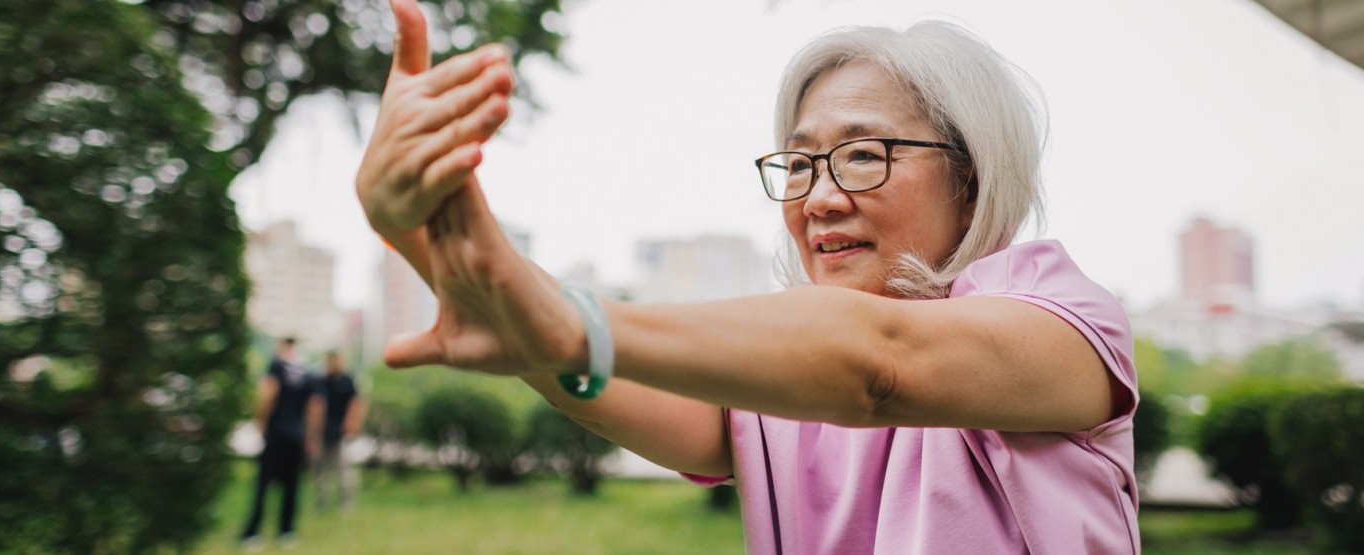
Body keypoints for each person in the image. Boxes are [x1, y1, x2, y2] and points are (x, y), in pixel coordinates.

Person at [356, 1, 1139, 552]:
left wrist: (573, 324)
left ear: (971, 176)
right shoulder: (785, 374)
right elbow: (587, 373)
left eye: (864, 154)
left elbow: (883, 363)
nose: (820, 196)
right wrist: (413, 222)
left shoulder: (1067, 319)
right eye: (799, 163)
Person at [240, 337, 324, 547]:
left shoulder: (276, 365)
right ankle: (286, 532)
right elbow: (315, 407)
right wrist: (311, 437)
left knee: (263, 484)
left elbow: (268, 392)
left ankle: (252, 533)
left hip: (276, 434)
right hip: (296, 437)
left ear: (282, 347)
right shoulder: (308, 372)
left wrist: (260, 421)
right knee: (292, 486)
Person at [313, 350, 365, 512]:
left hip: (341, 432)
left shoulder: (346, 381)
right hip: (323, 432)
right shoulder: (321, 381)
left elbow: (356, 402)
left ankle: (346, 503)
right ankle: (320, 501)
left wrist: (352, 423)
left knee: (344, 470)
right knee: (320, 469)